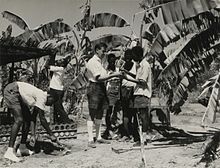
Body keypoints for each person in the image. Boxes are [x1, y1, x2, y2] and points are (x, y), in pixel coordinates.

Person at [3, 81, 56, 162]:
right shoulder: (42, 96)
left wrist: (33, 135)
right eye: (52, 101)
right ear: (49, 96)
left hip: (18, 95)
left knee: (27, 119)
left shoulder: (39, 98)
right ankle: (9, 151)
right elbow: (42, 119)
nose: (51, 105)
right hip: (12, 90)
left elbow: (33, 118)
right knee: (19, 120)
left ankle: (22, 147)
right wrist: (51, 135)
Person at [85, 43, 122, 148]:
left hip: (101, 87)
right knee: (92, 112)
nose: (104, 53)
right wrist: (113, 75)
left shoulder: (99, 62)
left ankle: (98, 137)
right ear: (97, 50)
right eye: (102, 51)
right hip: (95, 87)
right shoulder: (92, 62)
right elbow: (98, 78)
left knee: (100, 113)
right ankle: (90, 139)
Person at [122, 46, 152, 146]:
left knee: (143, 116)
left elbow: (142, 82)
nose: (133, 57)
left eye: (134, 55)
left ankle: (143, 139)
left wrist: (128, 78)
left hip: (142, 93)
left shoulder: (145, 65)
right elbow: (138, 77)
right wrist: (127, 73)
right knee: (139, 117)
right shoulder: (140, 65)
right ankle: (141, 138)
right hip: (138, 93)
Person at [119, 49, 139, 142]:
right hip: (123, 90)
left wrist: (126, 72)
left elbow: (138, 77)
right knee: (125, 113)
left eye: (129, 56)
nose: (127, 58)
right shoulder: (123, 64)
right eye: (126, 56)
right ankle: (126, 134)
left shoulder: (136, 65)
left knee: (134, 113)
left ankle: (135, 135)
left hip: (132, 90)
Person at [48, 55, 72, 124]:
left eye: (61, 61)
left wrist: (50, 57)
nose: (58, 61)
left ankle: (67, 121)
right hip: (56, 89)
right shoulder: (60, 69)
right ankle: (57, 121)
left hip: (56, 90)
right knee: (56, 107)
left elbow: (48, 66)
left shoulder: (60, 68)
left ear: (62, 64)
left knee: (58, 107)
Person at [103, 53, 121, 140]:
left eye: (114, 61)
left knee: (117, 112)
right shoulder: (106, 71)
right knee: (109, 112)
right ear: (108, 61)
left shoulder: (118, 70)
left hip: (117, 93)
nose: (112, 63)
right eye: (111, 62)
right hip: (109, 94)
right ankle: (109, 129)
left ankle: (116, 129)